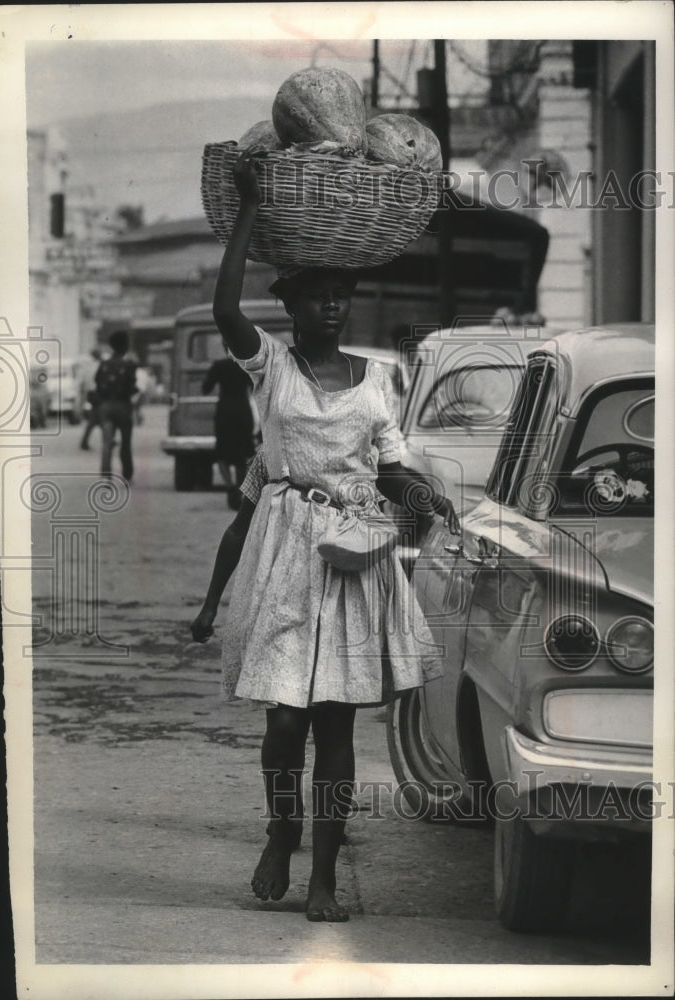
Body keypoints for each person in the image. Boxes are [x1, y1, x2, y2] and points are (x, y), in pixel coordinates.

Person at [205, 150, 459, 924]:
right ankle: (280, 832)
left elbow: (392, 469)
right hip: (285, 552)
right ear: (291, 305)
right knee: (284, 722)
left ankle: (322, 876)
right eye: (319, 296)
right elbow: (224, 309)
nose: (333, 307)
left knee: (336, 722)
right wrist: (251, 208)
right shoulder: (273, 369)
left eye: (342, 296)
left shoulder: (377, 380)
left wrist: (429, 498)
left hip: (352, 557)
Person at [202, 347, 256, 509]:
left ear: (225, 347)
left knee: (222, 452)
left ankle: (229, 486)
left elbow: (206, 388)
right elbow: (255, 388)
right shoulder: (247, 365)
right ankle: (239, 489)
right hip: (242, 411)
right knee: (242, 453)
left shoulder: (219, 366)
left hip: (224, 411)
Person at [94, 330, 139, 482]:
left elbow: (97, 383)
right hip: (123, 407)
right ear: (125, 346)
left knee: (107, 442)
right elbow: (132, 387)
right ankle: (127, 472)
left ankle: (106, 475)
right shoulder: (129, 365)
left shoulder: (104, 364)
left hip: (105, 407)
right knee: (125, 442)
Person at [79, 348, 106, 450]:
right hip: (99, 393)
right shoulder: (101, 365)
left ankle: (85, 441)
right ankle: (108, 439)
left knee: (95, 419)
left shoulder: (88, 366)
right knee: (100, 418)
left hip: (91, 394)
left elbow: (83, 382)